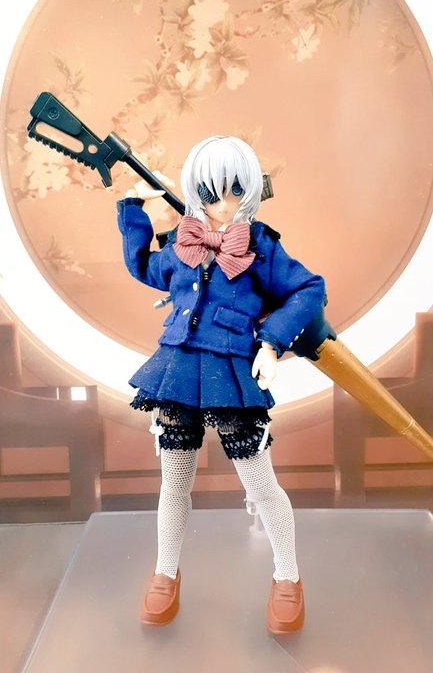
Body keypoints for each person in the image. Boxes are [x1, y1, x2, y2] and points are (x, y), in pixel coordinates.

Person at [116, 135, 325, 633]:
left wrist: (271, 344)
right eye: (211, 192)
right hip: (177, 370)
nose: (224, 203)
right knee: (174, 483)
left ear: (250, 190)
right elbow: (144, 267)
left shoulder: (260, 246)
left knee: (261, 485)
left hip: (231, 372)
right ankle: (166, 571)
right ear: (196, 191)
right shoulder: (180, 242)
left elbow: (308, 288)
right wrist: (134, 211)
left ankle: (288, 576)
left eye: (234, 190)